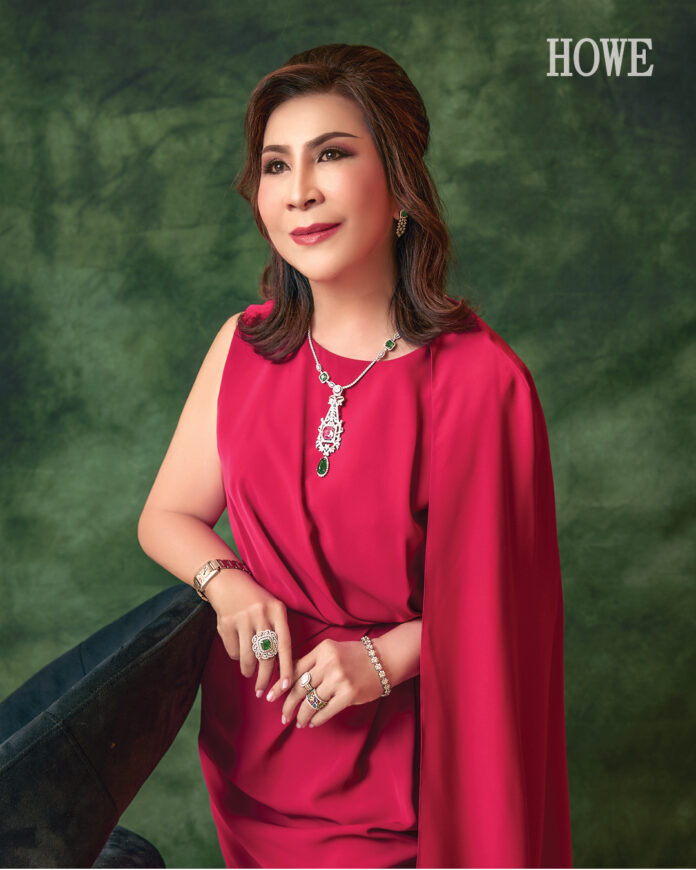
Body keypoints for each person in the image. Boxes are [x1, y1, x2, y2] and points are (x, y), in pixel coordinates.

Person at [137, 43, 573, 869]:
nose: (299, 190)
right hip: (256, 752)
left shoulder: (480, 382)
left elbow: (512, 611)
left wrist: (385, 656)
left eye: (331, 155)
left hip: (412, 776)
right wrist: (227, 584)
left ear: (400, 184)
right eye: (276, 165)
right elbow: (166, 516)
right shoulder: (244, 345)